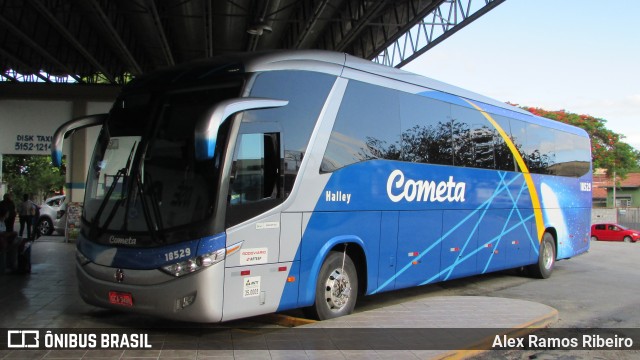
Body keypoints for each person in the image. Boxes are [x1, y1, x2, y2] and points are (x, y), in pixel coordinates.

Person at [0, 206, 18, 273]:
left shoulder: (3, 221)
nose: (8, 215)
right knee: (11, 247)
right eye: (7, 213)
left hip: (4, 240)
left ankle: (12, 265)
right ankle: (8, 266)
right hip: (2, 241)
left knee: (15, 243)